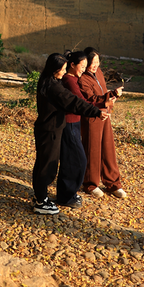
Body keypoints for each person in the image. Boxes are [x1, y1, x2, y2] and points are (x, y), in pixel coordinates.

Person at [32, 53, 108, 216]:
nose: (65, 72)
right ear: (55, 69)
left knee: (42, 162)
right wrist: (95, 111)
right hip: (50, 130)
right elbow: (73, 101)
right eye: (63, 69)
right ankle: (41, 201)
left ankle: (40, 196)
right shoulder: (54, 86)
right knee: (48, 165)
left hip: (46, 128)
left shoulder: (47, 80)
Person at [58, 50, 113, 208]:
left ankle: (68, 194)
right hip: (69, 123)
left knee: (73, 159)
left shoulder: (74, 78)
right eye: (82, 66)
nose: (84, 69)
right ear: (73, 65)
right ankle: (68, 194)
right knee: (77, 159)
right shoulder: (70, 81)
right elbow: (80, 102)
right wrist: (98, 110)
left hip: (74, 121)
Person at [79, 47, 126, 199]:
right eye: (93, 63)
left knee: (108, 149)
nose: (95, 65)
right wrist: (111, 95)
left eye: (98, 62)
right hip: (92, 116)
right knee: (92, 150)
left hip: (105, 114)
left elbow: (102, 94)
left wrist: (112, 99)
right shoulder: (82, 78)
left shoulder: (98, 73)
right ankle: (91, 184)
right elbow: (91, 99)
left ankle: (113, 183)